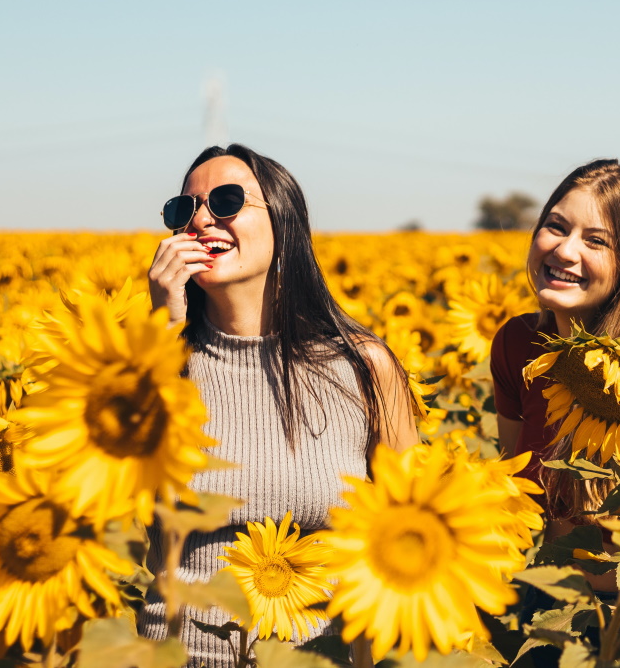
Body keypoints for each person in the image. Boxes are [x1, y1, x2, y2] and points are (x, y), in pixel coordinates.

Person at [141, 144, 418, 666]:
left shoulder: (363, 368)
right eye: (184, 210)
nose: (201, 219)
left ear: (284, 219)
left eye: (225, 201)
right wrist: (162, 335)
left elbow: (411, 530)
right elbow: (115, 511)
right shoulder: (152, 364)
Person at [490, 159, 620, 588]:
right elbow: (515, 478)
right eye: (556, 226)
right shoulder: (517, 344)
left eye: (595, 241)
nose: (565, 250)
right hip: (535, 589)